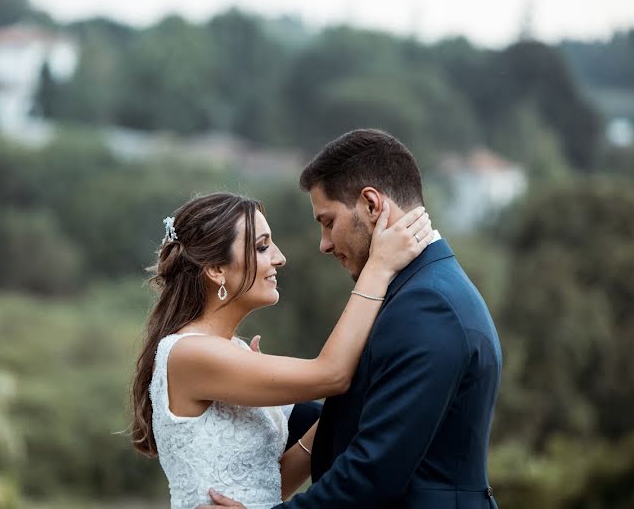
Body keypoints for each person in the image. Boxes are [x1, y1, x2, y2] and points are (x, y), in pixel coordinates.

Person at [202, 129, 502, 508]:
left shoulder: (428, 306)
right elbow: (364, 417)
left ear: (372, 205)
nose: (324, 243)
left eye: (328, 221)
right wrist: (269, 398)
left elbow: (374, 473)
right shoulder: (415, 291)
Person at [130, 191, 434, 509]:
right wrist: (380, 267)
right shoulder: (189, 354)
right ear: (216, 269)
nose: (279, 257)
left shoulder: (232, 351)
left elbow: (269, 485)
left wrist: (336, 414)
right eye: (262, 246)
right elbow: (332, 374)